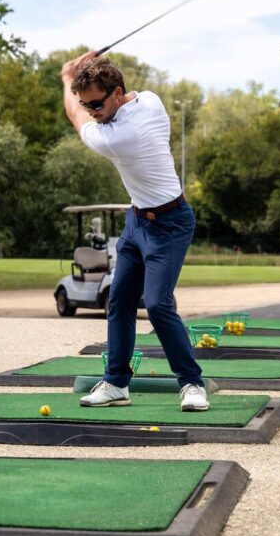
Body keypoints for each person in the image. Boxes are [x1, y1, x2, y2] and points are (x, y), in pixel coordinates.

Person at [60, 51, 208, 411]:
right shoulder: (150, 101)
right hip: (136, 221)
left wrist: (67, 78)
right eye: (87, 102)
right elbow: (92, 104)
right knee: (121, 301)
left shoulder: (118, 137)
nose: (91, 110)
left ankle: (192, 383)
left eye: (96, 102)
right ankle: (115, 383)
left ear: (116, 92)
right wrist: (90, 72)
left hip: (170, 224)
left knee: (157, 304)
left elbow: (73, 116)